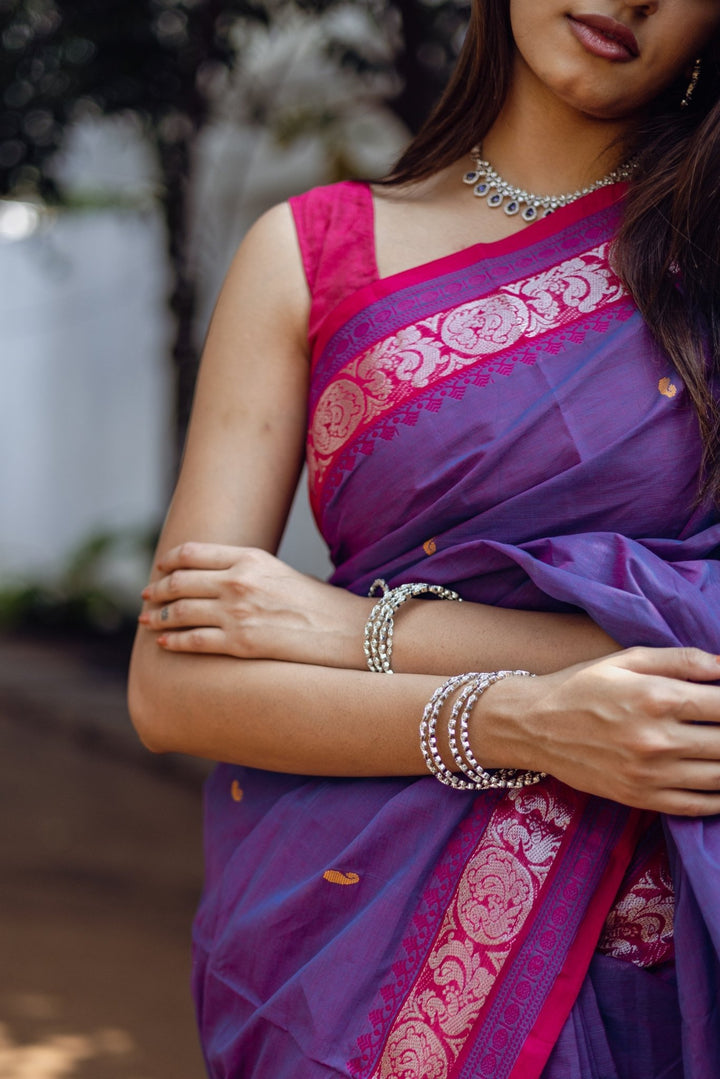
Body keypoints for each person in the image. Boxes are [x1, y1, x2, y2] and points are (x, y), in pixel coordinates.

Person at [128, 2, 720, 1076]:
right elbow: (174, 689)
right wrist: (519, 722)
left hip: (658, 958)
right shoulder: (310, 253)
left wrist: (362, 628)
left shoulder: (705, 266)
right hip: (349, 938)